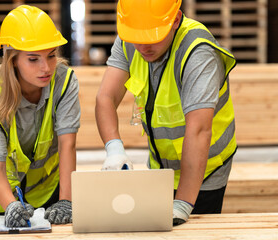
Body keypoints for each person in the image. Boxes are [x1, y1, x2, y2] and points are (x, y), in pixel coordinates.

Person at [95, 0, 237, 226]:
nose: (143, 47)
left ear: (176, 20)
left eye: (153, 36)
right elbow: (105, 97)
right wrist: (114, 148)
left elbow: (199, 131)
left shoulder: (197, 53)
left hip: (205, 171)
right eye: (137, 38)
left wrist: (183, 202)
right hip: (161, 167)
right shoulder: (130, 37)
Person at [0, 5, 80, 227]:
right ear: (13, 60)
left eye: (51, 56)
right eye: (33, 59)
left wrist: (66, 200)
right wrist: (11, 205)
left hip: (47, 193)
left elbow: (67, 144)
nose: (46, 68)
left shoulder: (65, 82)